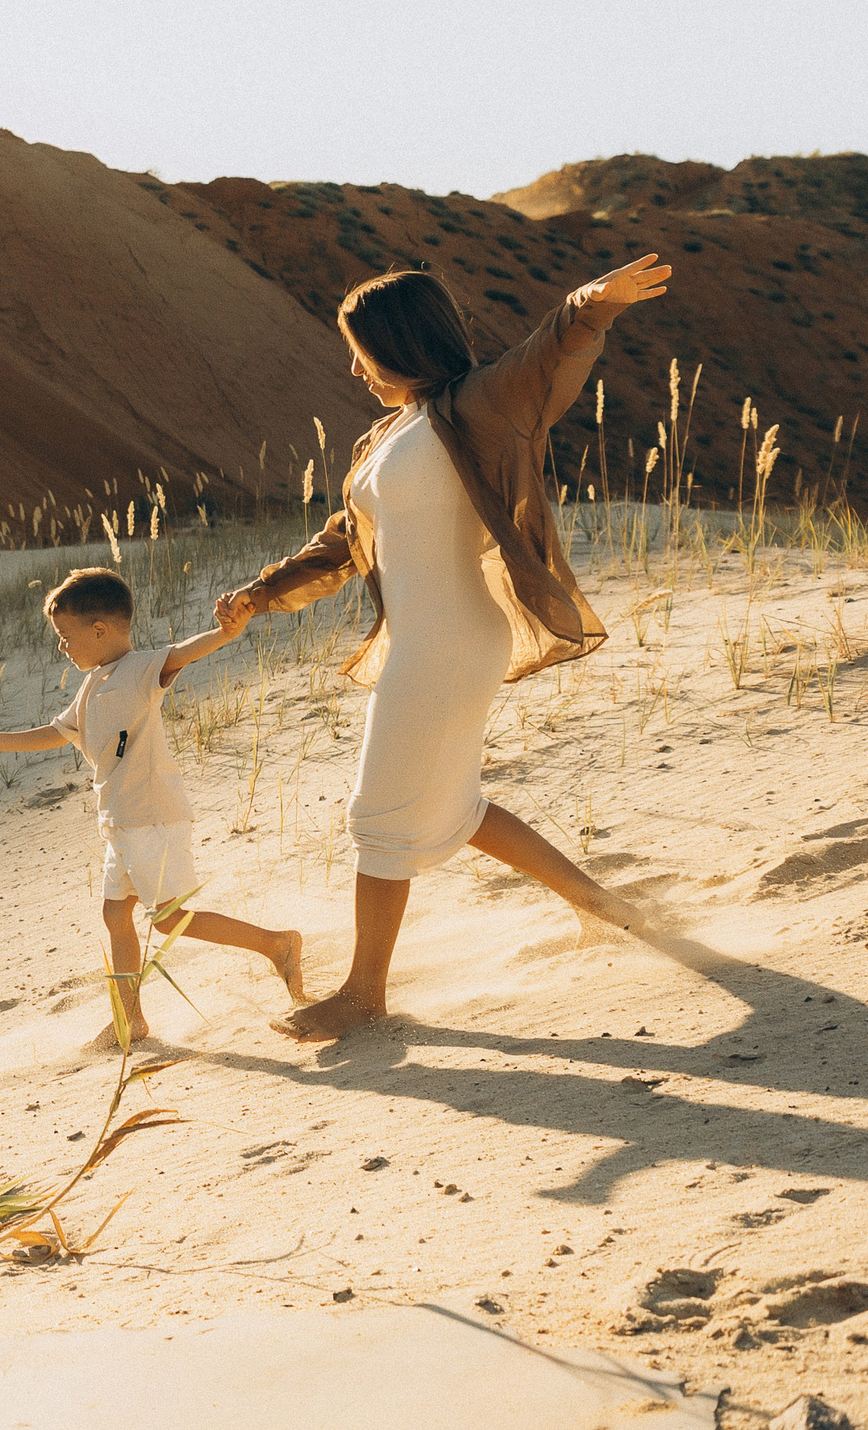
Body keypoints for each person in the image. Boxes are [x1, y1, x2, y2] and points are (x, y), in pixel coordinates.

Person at [216, 256, 672, 1043]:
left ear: (403, 341)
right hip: (434, 637)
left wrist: (590, 305)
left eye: (362, 347)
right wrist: (263, 591)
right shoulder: (388, 433)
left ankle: (364, 994)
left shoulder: (477, 404)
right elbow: (348, 538)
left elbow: (545, 354)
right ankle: (603, 904)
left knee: (379, 813)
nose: (353, 366)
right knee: (455, 808)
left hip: (448, 638)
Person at [0, 567, 305, 1047]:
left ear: (100, 629)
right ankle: (130, 1020)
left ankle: (277, 944)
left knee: (168, 918)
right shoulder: (91, 687)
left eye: (66, 635)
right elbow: (55, 733)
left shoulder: (140, 668)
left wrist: (226, 632)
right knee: (115, 915)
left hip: (152, 816)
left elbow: (183, 653)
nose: (62, 646)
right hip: (120, 822)